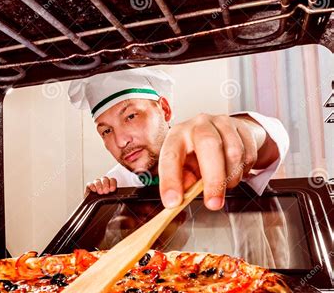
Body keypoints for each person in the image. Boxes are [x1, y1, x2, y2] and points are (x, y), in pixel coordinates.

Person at [68, 68, 289, 210]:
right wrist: (96, 208)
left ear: (164, 109)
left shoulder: (211, 151)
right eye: (106, 131)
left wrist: (242, 131)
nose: (120, 141)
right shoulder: (115, 187)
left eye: (131, 116)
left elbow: (272, 139)